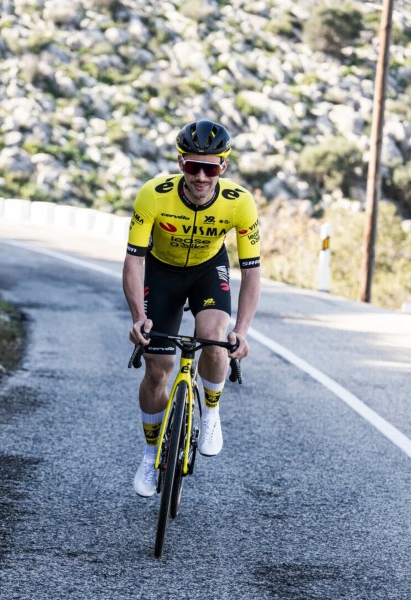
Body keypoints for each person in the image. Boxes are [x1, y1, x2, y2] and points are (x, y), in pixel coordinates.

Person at [122, 119, 261, 497]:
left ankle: (211, 412)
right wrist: (138, 318)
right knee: (157, 368)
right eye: (193, 166)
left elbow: (251, 272)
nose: (201, 176)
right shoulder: (153, 195)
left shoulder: (240, 202)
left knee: (215, 338)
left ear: (224, 167)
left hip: (207, 270)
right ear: (181, 162)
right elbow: (134, 260)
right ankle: (151, 454)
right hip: (161, 272)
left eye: (210, 168)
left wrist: (242, 331)